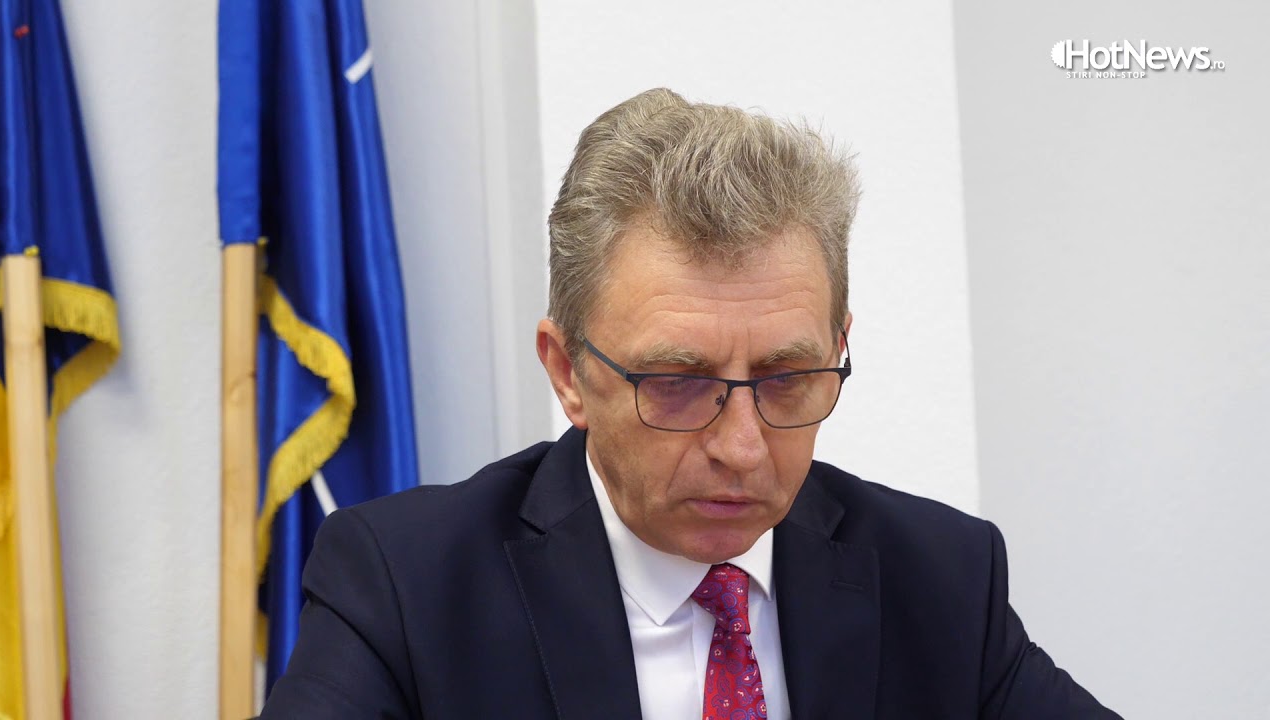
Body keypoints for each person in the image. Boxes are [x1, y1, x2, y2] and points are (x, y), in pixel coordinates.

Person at [261, 88, 1120, 719]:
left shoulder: (940, 577)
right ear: (568, 373)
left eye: (787, 377)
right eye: (677, 383)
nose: (742, 448)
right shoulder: (407, 585)